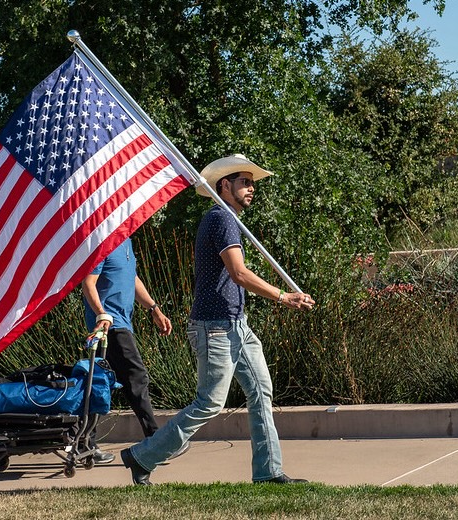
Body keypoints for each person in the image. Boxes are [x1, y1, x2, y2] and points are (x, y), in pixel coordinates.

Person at [120, 154, 315, 485]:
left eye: (252, 183)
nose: (251, 188)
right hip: (215, 327)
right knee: (209, 403)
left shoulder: (228, 219)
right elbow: (238, 273)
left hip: (237, 325)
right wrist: (284, 297)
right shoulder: (220, 218)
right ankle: (142, 456)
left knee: (260, 393)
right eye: (244, 182)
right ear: (224, 186)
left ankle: (268, 473)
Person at [82, 238, 189, 463]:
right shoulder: (104, 243)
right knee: (136, 378)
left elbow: (131, 277)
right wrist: (102, 313)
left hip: (120, 324)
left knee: (100, 383)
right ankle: (157, 441)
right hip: (109, 326)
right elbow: (88, 282)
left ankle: (85, 444)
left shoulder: (126, 242)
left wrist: (154, 308)